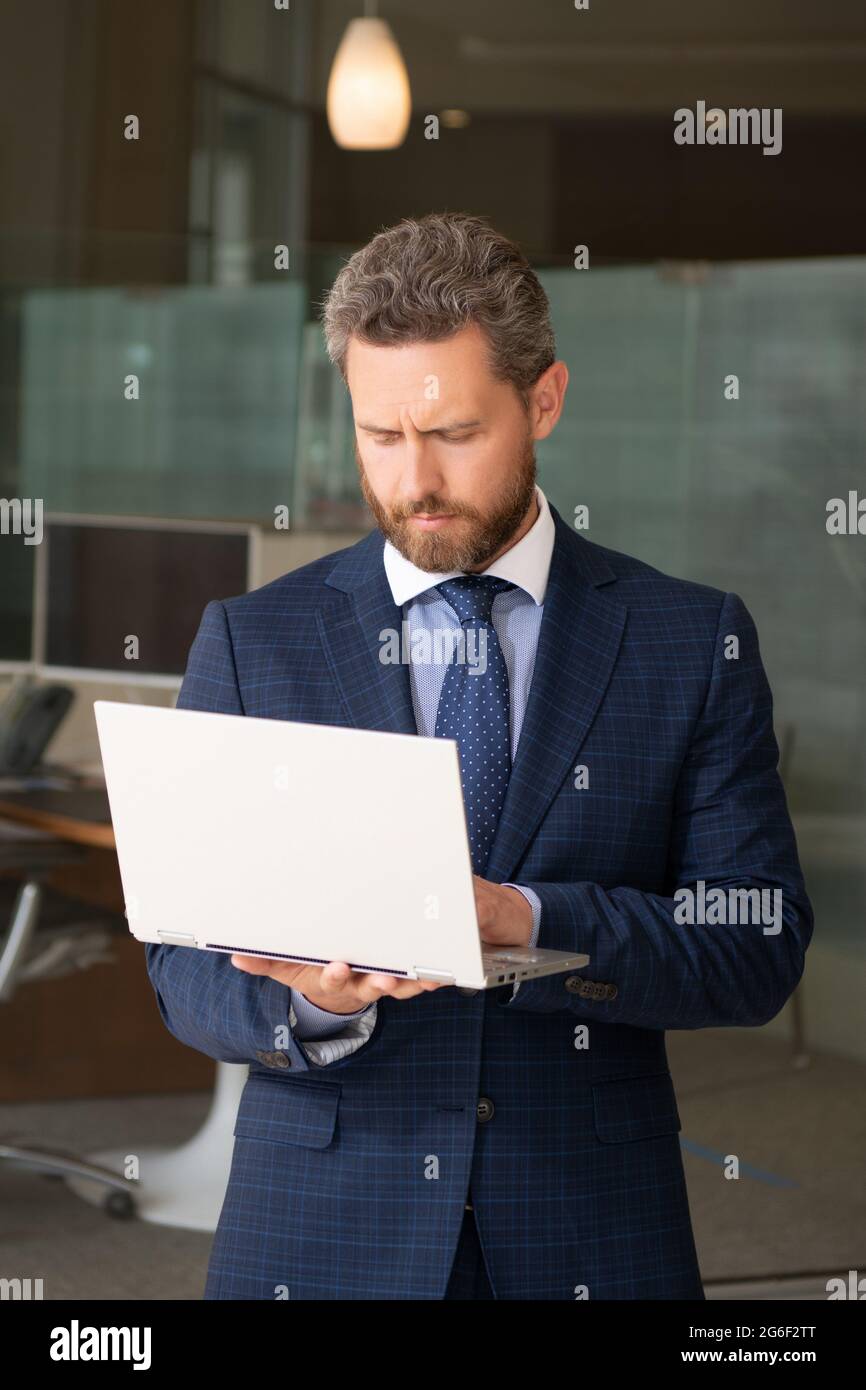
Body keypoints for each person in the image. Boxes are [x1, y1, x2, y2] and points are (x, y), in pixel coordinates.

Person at [146, 211, 812, 1300]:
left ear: (543, 399)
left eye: (453, 432)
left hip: (588, 1224)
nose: (413, 481)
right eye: (379, 436)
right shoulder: (252, 640)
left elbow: (755, 943)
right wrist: (315, 998)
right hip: (321, 1231)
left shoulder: (688, 641)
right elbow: (181, 975)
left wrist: (529, 918)